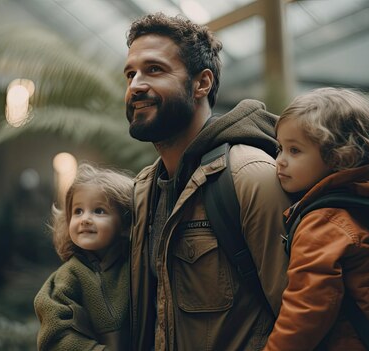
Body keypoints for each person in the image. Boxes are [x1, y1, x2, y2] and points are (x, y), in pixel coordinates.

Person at [124, 13, 291, 350]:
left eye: (154, 69)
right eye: (130, 73)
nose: (135, 85)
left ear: (202, 83)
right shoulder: (145, 190)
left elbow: (302, 314)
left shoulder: (249, 174)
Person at [263, 87, 369, 351]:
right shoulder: (364, 199)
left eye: (295, 151)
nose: (280, 161)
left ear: (339, 156)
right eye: (280, 148)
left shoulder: (324, 222)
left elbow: (307, 309)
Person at [33, 163, 133, 351]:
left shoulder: (137, 266)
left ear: (126, 224)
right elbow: (56, 336)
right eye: (78, 211)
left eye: (99, 211)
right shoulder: (68, 276)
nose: (85, 219)